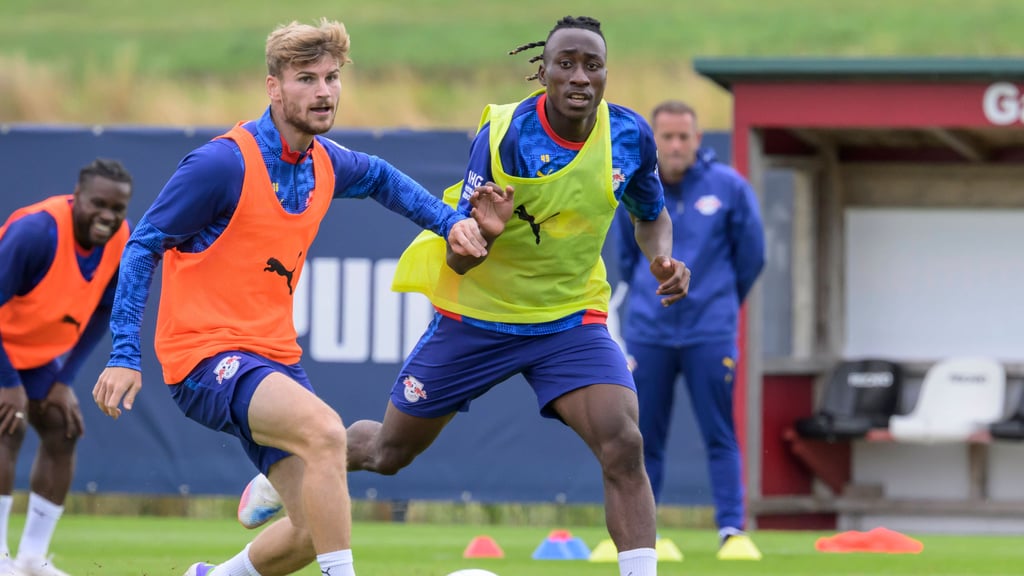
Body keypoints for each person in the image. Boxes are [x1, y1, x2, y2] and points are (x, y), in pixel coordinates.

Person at [237, 15, 690, 576]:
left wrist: (661, 257)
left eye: (591, 65)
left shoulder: (630, 135)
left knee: (623, 443)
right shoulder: (504, 137)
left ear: (605, 74)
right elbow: (458, 251)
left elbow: (652, 216)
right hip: (477, 313)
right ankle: (297, 464)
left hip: (569, 318)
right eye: (565, 64)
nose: (579, 76)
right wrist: (488, 234)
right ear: (542, 73)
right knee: (388, 454)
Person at [90, 18, 492, 576]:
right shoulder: (220, 164)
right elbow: (142, 247)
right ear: (273, 87)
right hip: (203, 357)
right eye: (306, 78)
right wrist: (124, 353)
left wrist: (450, 223)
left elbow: (382, 179)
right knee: (328, 432)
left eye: (331, 77)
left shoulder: (325, 161)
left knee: (308, 533)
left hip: (273, 357)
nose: (324, 91)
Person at [613, 100, 765, 555]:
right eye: (667, 137)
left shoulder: (729, 188)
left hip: (710, 332)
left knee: (720, 433)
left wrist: (716, 301)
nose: (675, 145)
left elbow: (751, 257)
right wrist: (648, 295)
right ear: (653, 141)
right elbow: (626, 258)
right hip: (648, 332)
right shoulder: (636, 187)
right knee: (641, 438)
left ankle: (732, 531)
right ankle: (643, 539)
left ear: (698, 140)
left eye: (684, 137)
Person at [0, 158, 133, 576]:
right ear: (77, 197)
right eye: (98, 204)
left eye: (118, 209)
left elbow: (105, 311)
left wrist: (62, 380)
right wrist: (7, 384)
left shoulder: (119, 240)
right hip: (4, 349)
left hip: (33, 355)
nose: (108, 217)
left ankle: (32, 560)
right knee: (8, 423)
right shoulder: (36, 232)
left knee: (63, 425)